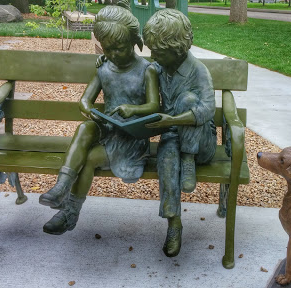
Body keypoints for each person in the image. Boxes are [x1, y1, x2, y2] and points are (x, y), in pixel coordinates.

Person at [38, 5, 159, 235]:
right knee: (85, 127)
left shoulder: (147, 70)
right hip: (107, 128)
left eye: (119, 49)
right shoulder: (104, 68)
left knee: (90, 159)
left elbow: (155, 106)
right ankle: (61, 187)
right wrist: (89, 109)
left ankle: (70, 213)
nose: (113, 54)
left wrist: (132, 109)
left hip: (130, 137)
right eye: (108, 49)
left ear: (134, 41)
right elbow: (85, 100)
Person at [143, 9, 217, 257]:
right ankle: (173, 224)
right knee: (165, 161)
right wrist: (105, 61)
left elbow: (207, 110)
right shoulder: (160, 67)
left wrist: (172, 119)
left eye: (158, 52)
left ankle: (188, 159)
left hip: (201, 144)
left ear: (177, 49)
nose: (152, 56)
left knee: (188, 100)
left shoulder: (198, 70)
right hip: (173, 136)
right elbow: (134, 66)